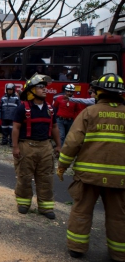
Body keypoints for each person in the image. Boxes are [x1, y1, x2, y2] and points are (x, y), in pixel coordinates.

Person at [57, 73, 125, 261]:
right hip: (119, 178)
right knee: (119, 216)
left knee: (81, 211)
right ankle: (120, 253)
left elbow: (72, 143)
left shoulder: (89, 113)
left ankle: (76, 248)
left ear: (100, 92)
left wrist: (62, 165)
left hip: (88, 177)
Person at [12, 73, 61, 220]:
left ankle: (45, 207)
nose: (44, 89)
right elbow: (15, 128)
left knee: (46, 177)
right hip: (27, 146)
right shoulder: (22, 108)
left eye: (44, 87)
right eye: (40, 87)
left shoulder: (50, 109)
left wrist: (58, 145)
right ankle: (24, 204)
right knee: (24, 177)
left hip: (46, 147)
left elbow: (55, 128)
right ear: (31, 91)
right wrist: (15, 147)